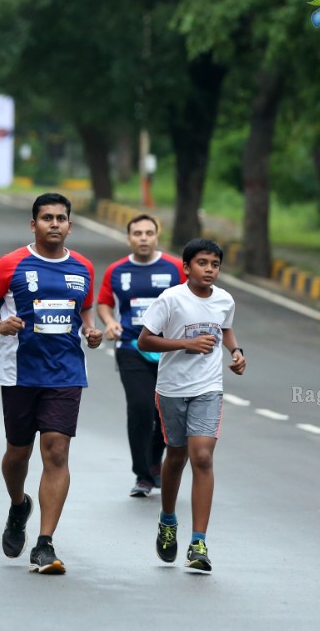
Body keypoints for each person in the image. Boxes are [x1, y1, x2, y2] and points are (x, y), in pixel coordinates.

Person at [0, 193, 102, 575]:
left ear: (70, 225)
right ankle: (17, 504)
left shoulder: (83, 267)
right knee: (18, 454)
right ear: (34, 224)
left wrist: (91, 330)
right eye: (47, 218)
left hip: (66, 372)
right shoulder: (11, 264)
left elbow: (85, 307)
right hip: (20, 372)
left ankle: (44, 543)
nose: (54, 224)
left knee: (56, 452)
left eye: (61, 218)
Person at [136, 238, 246, 573]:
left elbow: (225, 328)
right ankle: (168, 520)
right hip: (171, 389)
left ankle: (198, 542)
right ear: (186, 267)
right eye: (202, 263)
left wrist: (237, 352)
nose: (209, 270)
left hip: (208, 388)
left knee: (202, 456)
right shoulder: (171, 299)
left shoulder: (225, 300)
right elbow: (145, 340)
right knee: (177, 455)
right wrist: (186, 343)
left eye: (214, 264)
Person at [96, 214, 186, 497]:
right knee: (140, 408)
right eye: (137, 233)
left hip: (168, 350)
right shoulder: (116, 270)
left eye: (149, 233)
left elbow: (192, 300)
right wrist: (109, 323)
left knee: (164, 412)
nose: (143, 238)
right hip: (131, 348)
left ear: (157, 236)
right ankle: (142, 475)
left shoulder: (174, 268)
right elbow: (104, 303)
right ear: (129, 238)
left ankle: (154, 461)